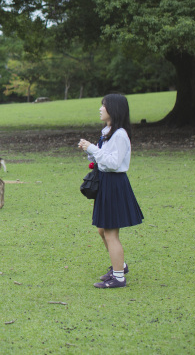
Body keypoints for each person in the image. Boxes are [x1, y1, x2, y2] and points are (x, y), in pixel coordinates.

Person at [78, 93, 144, 289]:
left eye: (103, 106)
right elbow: (104, 157)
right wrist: (90, 149)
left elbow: (114, 163)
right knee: (102, 230)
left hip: (115, 184)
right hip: (107, 183)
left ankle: (118, 277)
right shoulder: (108, 131)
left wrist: (93, 148)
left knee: (110, 233)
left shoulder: (120, 134)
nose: (100, 109)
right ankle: (119, 266)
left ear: (113, 110)